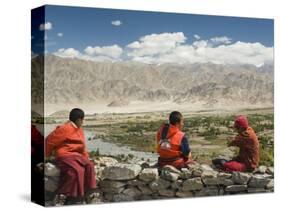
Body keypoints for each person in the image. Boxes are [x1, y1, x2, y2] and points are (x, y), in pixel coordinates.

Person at [45, 108, 96, 206]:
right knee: (77, 170)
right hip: (65, 155)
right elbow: (49, 141)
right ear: (78, 120)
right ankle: (65, 196)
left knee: (89, 166)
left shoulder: (79, 130)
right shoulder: (64, 128)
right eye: (82, 120)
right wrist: (46, 156)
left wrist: (86, 158)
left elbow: (82, 147)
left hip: (76, 156)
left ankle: (89, 192)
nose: (83, 122)